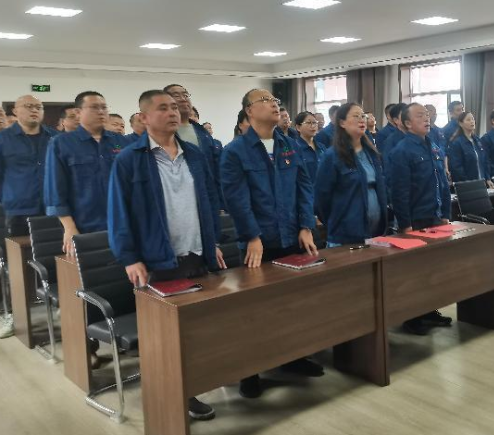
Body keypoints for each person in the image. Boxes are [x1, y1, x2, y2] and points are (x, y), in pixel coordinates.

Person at [107, 89, 225, 421]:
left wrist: (212, 241)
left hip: (196, 253)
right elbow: (119, 213)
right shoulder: (129, 159)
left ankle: (192, 384)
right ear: (143, 117)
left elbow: (208, 200)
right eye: (163, 108)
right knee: (164, 336)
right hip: (157, 259)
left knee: (196, 329)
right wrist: (130, 257)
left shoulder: (193, 154)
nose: (172, 112)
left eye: (174, 107)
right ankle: (175, 394)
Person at [221, 88, 322, 398]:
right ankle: (250, 371)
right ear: (249, 111)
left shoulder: (290, 145)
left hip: (291, 236)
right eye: (265, 101)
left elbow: (305, 188)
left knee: (292, 303)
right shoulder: (235, 151)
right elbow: (236, 201)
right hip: (258, 243)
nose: (274, 104)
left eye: (276, 101)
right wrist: (252, 236)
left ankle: (292, 357)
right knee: (255, 310)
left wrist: (305, 226)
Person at [0, 96, 57, 339]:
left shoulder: (54, 137)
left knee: (55, 260)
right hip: (18, 210)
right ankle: (14, 313)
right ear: (15, 111)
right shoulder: (0, 140)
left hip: (51, 209)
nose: (34, 110)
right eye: (28, 106)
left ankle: (59, 304)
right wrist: (9, 195)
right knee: (16, 266)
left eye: (38, 106)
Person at [389, 103, 453, 335]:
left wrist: (445, 214)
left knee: (432, 268)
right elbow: (400, 192)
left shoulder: (433, 145)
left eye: (427, 115)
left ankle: (429, 309)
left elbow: (442, 183)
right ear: (407, 123)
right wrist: (405, 224)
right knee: (414, 271)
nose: (426, 119)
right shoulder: (402, 151)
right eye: (420, 116)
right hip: (415, 220)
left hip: (435, 216)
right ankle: (411, 316)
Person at [45, 91, 128, 255]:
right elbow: (55, 190)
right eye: (95, 107)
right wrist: (69, 227)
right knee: (92, 268)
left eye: (104, 107)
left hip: (123, 223)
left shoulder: (120, 141)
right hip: (84, 225)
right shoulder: (61, 143)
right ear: (78, 112)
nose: (101, 112)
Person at [315, 103, 387, 247]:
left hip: (375, 232)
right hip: (345, 235)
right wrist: (338, 220)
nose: (361, 119)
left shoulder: (371, 153)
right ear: (342, 123)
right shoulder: (332, 156)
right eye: (356, 116)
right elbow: (321, 198)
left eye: (363, 116)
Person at [163, 84, 222, 190]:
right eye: (176, 95)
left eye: (185, 95)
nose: (183, 99)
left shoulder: (202, 132)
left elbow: (216, 169)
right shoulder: (162, 133)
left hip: (207, 192)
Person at [447, 111, 493, 186]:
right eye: (468, 120)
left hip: (482, 182)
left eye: (473, 119)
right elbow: (456, 167)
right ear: (461, 123)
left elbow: (485, 161)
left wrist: (487, 178)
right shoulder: (456, 143)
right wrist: (468, 182)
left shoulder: (477, 140)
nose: (472, 121)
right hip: (467, 184)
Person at [294, 111, 326, 183]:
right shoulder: (294, 148)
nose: (313, 126)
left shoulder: (322, 147)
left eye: (314, 123)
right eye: (308, 123)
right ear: (298, 127)